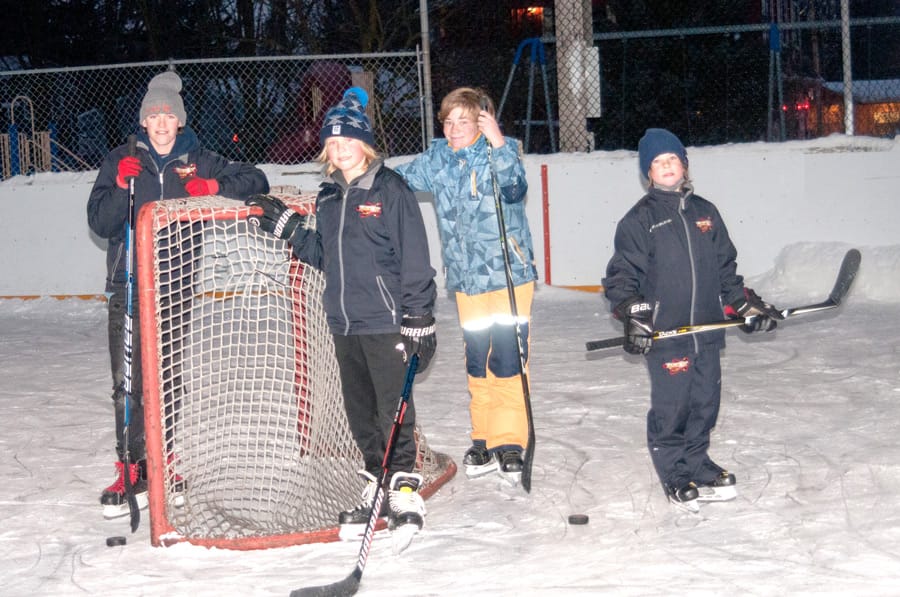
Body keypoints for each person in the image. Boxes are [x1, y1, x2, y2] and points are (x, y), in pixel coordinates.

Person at [245, 87, 437, 536]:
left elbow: (415, 258)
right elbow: (324, 254)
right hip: (344, 322)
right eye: (332, 143)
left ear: (365, 143)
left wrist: (420, 317)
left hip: (387, 319)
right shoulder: (329, 197)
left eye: (347, 140)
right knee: (360, 411)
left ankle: (403, 485)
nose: (340, 148)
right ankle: (377, 480)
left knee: (393, 408)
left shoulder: (390, 189)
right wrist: (290, 229)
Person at [87, 71, 270, 519]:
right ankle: (132, 467)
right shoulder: (120, 159)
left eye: (169, 115)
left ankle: (164, 461)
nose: (162, 122)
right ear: (144, 120)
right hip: (127, 289)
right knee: (127, 384)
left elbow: (256, 178)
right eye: (154, 115)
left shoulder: (199, 158)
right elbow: (100, 222)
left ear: (180, 121)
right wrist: (121, 188)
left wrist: (215, 188)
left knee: (165, 381)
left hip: (172, 287)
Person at [602, 128, 783, 511]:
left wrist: (745, 306)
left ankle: (698, 463)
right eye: (658, 162)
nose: (667, 167)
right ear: (647, 172)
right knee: (674, 408)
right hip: (668, 334)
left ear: (684, 165)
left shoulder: (706, 212)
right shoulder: (640, 220)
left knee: (704, 403)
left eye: (672, 160)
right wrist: (635, 316)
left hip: (707, 331)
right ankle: (674, 470)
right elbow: (621, 278)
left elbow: (725, 270)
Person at [394, 87, 538, 482]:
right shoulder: (437, 159)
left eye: (464, 121)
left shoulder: (498, 152)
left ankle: (510, 440)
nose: (455, 129)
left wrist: (500, 144)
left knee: (507, 358)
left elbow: (515, 190)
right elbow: (395, 181)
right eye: (449, 121)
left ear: (481, 121)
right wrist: (358, 170)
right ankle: (483, 438)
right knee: (477, 358)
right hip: (466, 279)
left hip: (508, 274)